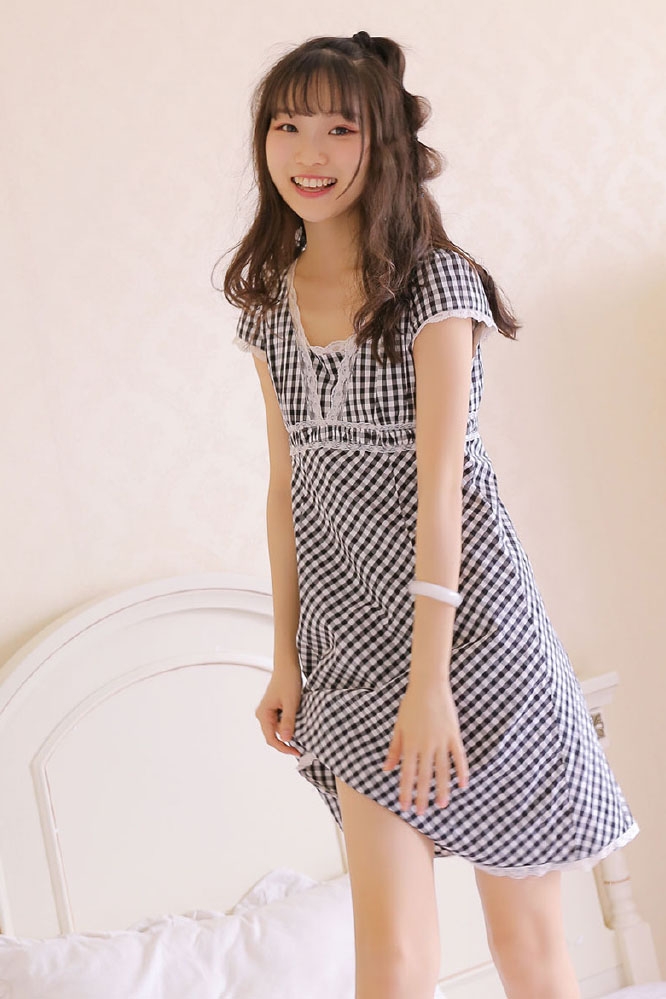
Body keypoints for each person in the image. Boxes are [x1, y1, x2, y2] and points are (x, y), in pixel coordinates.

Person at [219, 31, 639, 999]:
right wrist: (286, 658)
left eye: (339, 128)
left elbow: (444, 490)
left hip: (477, 652)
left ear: (384, 143)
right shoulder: (270, 310)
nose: (308, 153)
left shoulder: (435, 288)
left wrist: (431, 685)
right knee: (394, 960)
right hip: (353, 661)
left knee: (526, 947)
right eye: (287, 126)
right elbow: (288, 490)